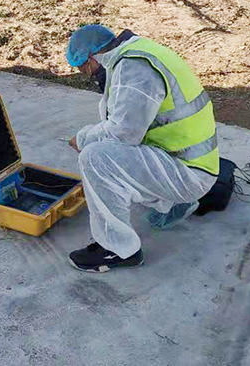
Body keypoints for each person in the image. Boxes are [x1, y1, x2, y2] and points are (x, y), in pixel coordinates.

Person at [66, 24, 219, 273]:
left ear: (92, 59)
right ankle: (173, 202)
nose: (86, 74)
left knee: (95, 158)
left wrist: (83, 139)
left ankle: (118, 250)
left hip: (190, 173)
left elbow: (124, 134)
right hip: (194, 162)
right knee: (110, 153)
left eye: (83, 68)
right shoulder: (140, 52)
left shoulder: (134, 68)